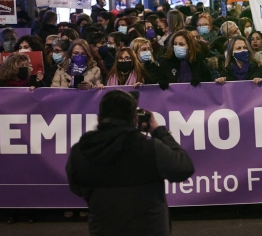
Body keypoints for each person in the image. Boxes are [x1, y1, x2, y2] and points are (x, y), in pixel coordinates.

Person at [66, 90, 195, 236]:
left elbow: (76, 188)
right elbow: (184, 168)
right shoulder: (150, 148)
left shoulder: (80, 151)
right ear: (134, 119)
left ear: (98, 118)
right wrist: (159, 131)